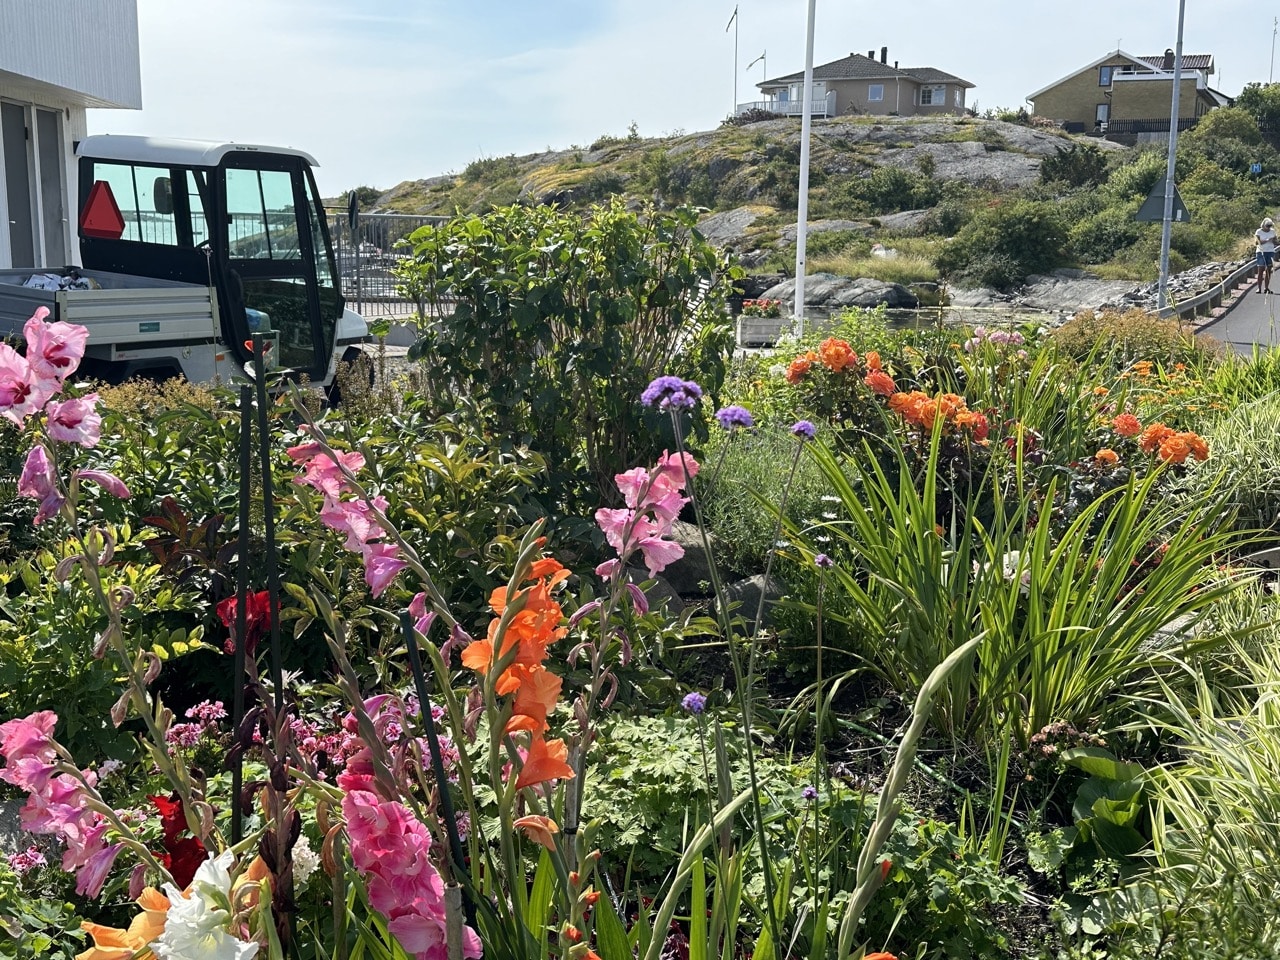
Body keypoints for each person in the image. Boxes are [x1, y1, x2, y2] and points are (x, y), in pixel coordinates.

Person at [1255, 217, 1278, 293]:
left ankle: (1266, 288)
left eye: (1270, 226)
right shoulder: (1259, 231)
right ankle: (1259, 288)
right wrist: (1267, 240)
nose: (1269, 227)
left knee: (1268, 270)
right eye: (1267, 226)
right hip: (1261, 252)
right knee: (1260, 270)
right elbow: (1257, 242)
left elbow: (1276, 242)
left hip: (1270, 251)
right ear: (1264, 225)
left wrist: (1274, 240)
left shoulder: (1272, 231)